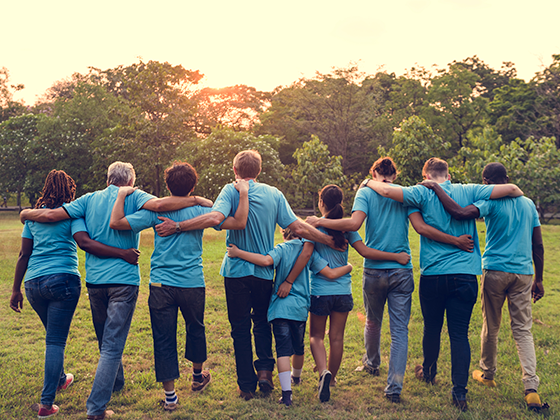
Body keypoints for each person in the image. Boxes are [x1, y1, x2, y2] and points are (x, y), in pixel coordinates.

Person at [19, 161, 210, 420]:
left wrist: (27, 214)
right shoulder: (135, 195)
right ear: (130, 181)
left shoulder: (88, 200)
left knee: (104, 340)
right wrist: (196, 199)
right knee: (111, 347)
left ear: (108, 178)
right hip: (124, 280)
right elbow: (161, 205)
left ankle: (116, 382)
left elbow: (52, 216)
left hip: (95, 282)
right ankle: (96, 408)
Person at [155, 150, 338, 401]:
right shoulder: (274, 194)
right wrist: (327, 239)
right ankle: (265, 371)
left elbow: (214, 218)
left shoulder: (231, 191)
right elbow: (296, 226)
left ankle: (246, 385)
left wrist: (177, 226)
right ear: (259, 171)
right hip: (264, 271)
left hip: (236, 271)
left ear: (235, 170)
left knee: (240, 329)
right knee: (262, 322)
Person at [306, 157, 475, 404]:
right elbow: (419, 226)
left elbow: (353, 224)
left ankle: (372, 363)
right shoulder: (404, 194)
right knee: (399, 331)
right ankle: (394, 386)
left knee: (373, 322)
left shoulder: (365, 193)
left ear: (373, 173)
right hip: (401, 270)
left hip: (374, 270)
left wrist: (319, 221)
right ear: (394, 176)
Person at [365, 157, 523, 411]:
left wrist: (366, 181)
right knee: (459, 334)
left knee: (432, 327)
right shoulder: (469, 189)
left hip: (434, 274)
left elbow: (385, 190)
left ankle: (428, 372)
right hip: (465, 275)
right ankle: (459, 392)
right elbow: (514, 189)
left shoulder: (421, 192)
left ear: (426, 176)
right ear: (448, 176)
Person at [109, 162, 249, 411]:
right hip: (192, 282)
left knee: (163, 337)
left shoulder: (156, 211)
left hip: (161, 283)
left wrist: (121, 198)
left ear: (167, 185)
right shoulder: (201, 209)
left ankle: (170, 396)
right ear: (193, 185)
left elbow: (118, 223)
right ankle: (197, 377)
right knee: (196, 329)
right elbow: (232, 221)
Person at [10, 170, 139, 420]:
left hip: (34, 284)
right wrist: (122, 253)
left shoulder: (34, 218)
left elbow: (24, 254)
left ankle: (60, 379)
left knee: (52, 336)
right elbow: (84, 242)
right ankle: (46, 403)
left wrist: (16, 289)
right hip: (63, 281)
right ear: (69, 190)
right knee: (55, 341)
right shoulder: (73, 212)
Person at [420, 162, 545, 411]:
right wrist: (539, 279)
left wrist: (435, 187)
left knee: (491, 324)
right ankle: (531, 387)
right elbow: (538, 244)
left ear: (486, 182)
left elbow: (460, 213)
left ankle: (487, 374)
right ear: (507, 178)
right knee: (523, 330)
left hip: (495, 270)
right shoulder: (528, 203)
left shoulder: (490, 203)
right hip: (523, 273)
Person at [227, 227, 352, 407]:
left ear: (284, 234)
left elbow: (264, 261)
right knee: (298, 348)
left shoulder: (281, 249)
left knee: (283, 350)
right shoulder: (309, 252)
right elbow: (330, 273)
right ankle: (297, 377)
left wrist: (238, 252)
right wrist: (348, 266)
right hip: (300, 309)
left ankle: (287, 394)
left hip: (279, 309)